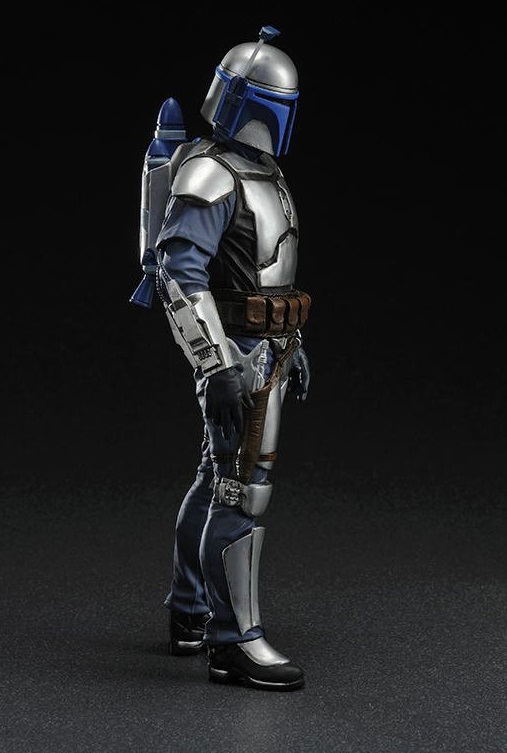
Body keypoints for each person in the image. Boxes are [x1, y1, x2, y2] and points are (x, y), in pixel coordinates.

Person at [140, 26, 311, 690]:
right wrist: (215, 364)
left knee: (218, 479)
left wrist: (291, 341)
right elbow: (179, 274)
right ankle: (234, 640)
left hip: (266, 348)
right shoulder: (211, 171)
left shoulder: (263, 171)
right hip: (237, 351)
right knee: (243, 491)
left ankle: (189, 611)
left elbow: (266, 273)